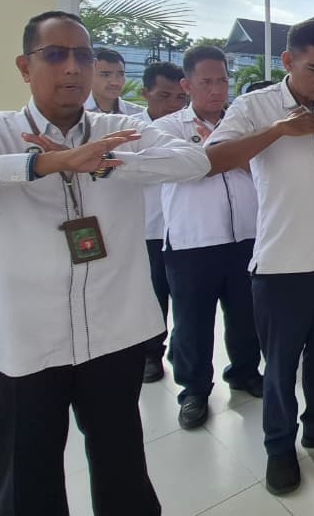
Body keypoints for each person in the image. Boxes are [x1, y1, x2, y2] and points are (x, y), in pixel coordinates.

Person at [0, 11, 210, 514]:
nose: (72, 68)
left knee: (122, 470)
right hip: (16, 345)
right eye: (55, 54)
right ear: (24, 66)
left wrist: (104, 161)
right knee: (25, 483)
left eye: (83, 56)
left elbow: (192, 160)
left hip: (113, 333)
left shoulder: (117, 129)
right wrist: (41, 163)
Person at [205, 20, 314, 495]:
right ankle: (279, 446)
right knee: (280, 366)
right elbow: (214, 157)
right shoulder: (255, 106)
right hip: (283, 263)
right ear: (287, 62)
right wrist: (282, 131)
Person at [154, 47, 262, 430]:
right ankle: (194, 390)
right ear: (187, 85)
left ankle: (246, 371)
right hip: (192, 241)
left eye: (222, 81)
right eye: (206, 82)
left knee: (246, 314)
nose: (217, 90)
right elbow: (190, 171)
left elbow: (261, 171)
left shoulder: (244, 123)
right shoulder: (166, 128)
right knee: (192, 323)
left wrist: (219, 150)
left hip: (246, 236)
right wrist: (215, 154)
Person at [137, 60, 189, 384]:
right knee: (154, 295)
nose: (172, 104)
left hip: (184, 230)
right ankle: (151, 354)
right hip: (150, 229)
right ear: (146, 93)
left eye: (178, 98)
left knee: (186, 301)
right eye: (163, 96)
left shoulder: (189, 128)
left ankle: (181, 355)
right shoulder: (131, 130)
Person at [85, 47, 147, 117]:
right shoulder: (75, 113)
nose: (115, 82)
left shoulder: (137, 116)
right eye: (106, 75)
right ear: (88, 76)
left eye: (120, 74)